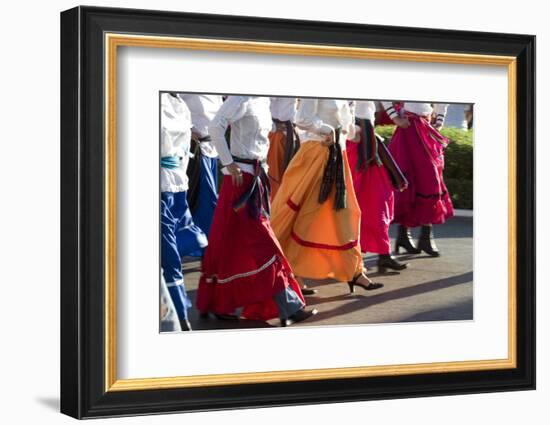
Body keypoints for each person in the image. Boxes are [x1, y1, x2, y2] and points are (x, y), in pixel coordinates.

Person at [195, 96, 317, 327]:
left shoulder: (262, 100)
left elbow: (260, 135)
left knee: (227, 242)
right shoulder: (241, 97)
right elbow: (215, 125)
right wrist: (228, 163)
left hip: (256, 177)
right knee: (265, 244)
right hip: (242, 179)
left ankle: (215, 303)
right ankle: (289, 307)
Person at [271, 98, 383, 294]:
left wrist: (352, 131)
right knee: (304, 216)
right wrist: (327, 130)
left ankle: (354, 272)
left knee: (346, 214)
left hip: (337, 154)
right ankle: (290, 273)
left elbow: (346, 126)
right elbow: (302, 119)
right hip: (316, 154)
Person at [160, 92, 208, 331]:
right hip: (165, 183)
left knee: (172, 253)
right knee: (168, 255)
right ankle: (179, 315)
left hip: (175, 184)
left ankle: (179, 315)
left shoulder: (178, 103)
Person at [381, 101, 454, 256]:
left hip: (426, 128)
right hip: (408, 127)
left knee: (429, 181)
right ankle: (409, 236)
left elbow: (444, 98)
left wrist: (439, 121)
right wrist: (395, 118)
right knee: (411, 181)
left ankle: (418, 237)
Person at [346, 100, 409, 272]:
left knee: (380, 201)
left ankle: (384, 255)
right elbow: (340, 113)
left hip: (369, 142)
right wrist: (353, 133)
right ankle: (350, 260)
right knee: (352, 205)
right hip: (354, 144)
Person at [179, 94, 223, 246]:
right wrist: (188, 129)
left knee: (206, 197)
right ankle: (206, 244)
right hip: (196, 149)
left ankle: (205, 242)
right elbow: (170, 102)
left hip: (212, 148)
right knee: (206, 198)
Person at [267, 97, 300, 199]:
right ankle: (275, 211)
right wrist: (273, 126)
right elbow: (262, 102)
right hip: (277, 134)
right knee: (275, 178)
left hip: (292, 133)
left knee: (291, 179)